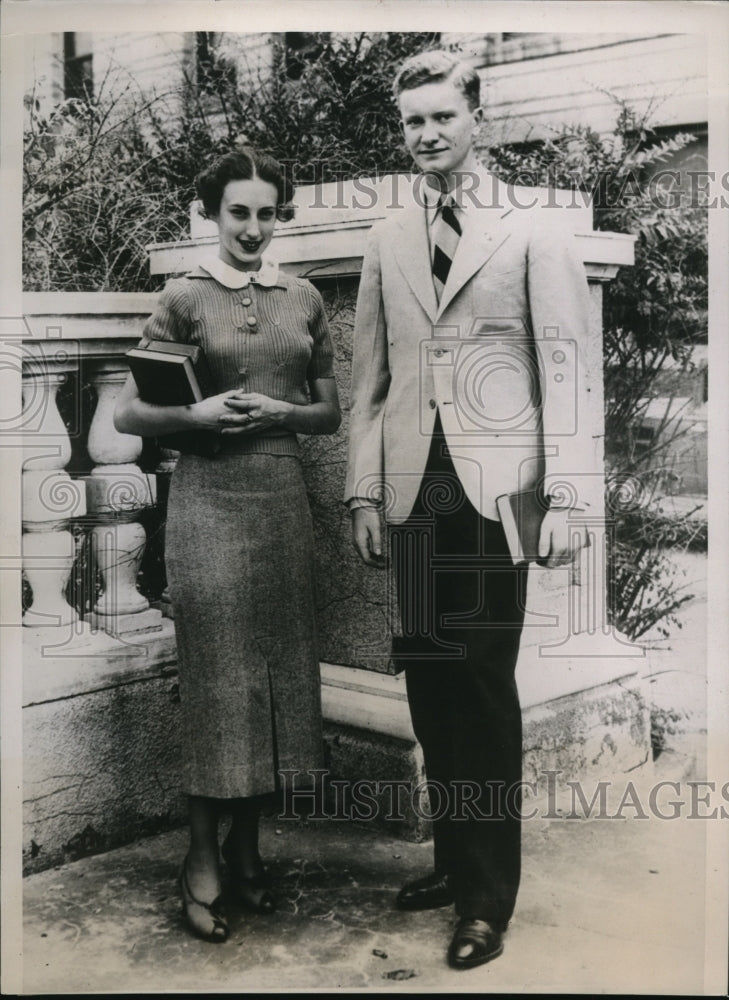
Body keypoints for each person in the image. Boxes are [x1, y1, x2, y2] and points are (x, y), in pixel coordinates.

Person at [345, 50, 598, 969]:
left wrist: (567, 497)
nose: (425, 135)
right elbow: (368, 380)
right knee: (430, 682)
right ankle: (453, 860)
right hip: (417, 489)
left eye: (440, 117)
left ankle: (488, 898)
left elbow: (567, 369)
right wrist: (364, 490)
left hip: (499, 492)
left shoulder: (533, 226)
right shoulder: (385, 237)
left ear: (476, 117)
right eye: (412, 122)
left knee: (482, 688)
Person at [114, 147, 341, 943]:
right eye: (237, 212)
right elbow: (130, 417)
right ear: (211, 215)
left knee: (273, 684)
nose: (251, 228)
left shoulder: (304, 298)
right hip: (208, 503)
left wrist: (279, 415)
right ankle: (201, 859)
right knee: (219, 683)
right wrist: (197, 419)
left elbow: (327, 413)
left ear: (281, 216)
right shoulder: (183, 299)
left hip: (280, 501)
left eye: (266, 212)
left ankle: (250, 854)